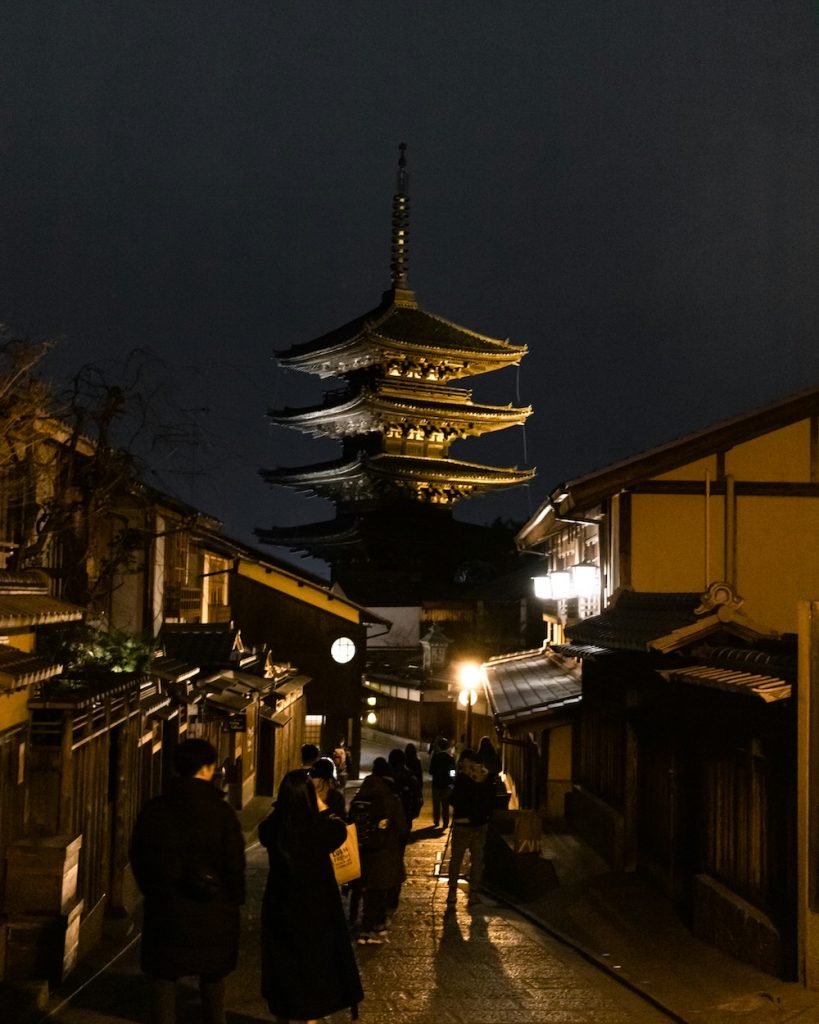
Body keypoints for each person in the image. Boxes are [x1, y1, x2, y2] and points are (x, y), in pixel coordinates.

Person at [130, 738, 245, 1024]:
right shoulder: (221, 812)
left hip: (166, 906)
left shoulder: (155, 809)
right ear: (207, 768)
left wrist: (153, 892)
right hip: (213, 906)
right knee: (213, 977)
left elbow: (139, 856)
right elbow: (234, 863)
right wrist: (234, 897)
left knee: (164, 976)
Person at [259, 769, 363, 1023]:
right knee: (313, 965)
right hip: (316, 907)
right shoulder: (321, 830)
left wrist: (283, 807)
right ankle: (310, 1016)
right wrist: (318, 804)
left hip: (280, 905)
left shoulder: (273, 830)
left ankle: (284, 1014)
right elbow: (340, 827)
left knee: (284, 964)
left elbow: (266, 826)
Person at [349, 757, 407, 944]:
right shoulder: (389, 797)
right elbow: (402, 826)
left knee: (368, 890)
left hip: (362, 850)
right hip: (384, 851)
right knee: (377, 891)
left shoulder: (360, 796)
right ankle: (368, 930)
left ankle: (377, 925)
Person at [446, 748, 496, 909]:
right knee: (477, 860)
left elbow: (454, 799)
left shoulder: (462, 778)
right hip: (480, 824)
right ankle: (473, 894)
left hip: (462, 824)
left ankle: (452, 892)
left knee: (456, 859)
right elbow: (491, 798)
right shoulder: (486, 776)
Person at [428, 736, 456, 829]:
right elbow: (452, 772)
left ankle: (436, 821)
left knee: (436, 805)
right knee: (445, 805)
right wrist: (451, 782)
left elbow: (431, 771)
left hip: (436, 784)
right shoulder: (450, 758)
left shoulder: (435, 757)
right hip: (446, 785)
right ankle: (445, 823)